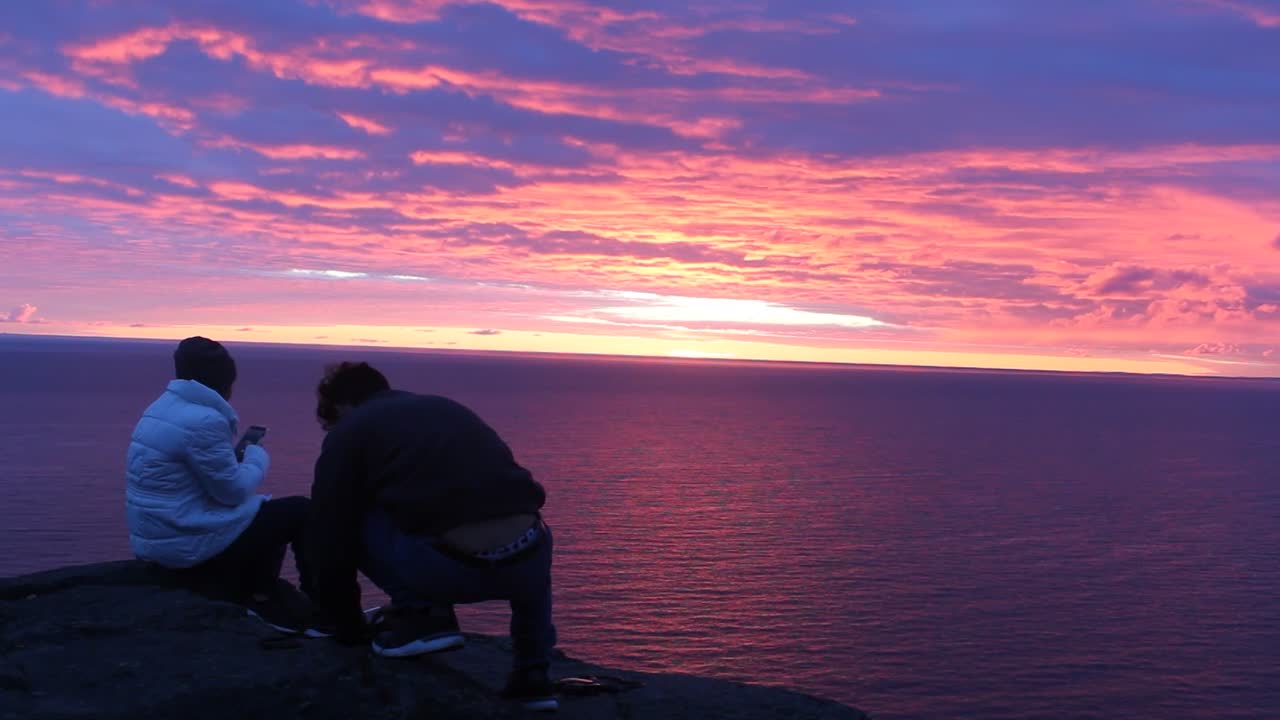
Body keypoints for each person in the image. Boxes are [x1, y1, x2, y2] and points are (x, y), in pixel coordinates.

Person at [305, 361, 558, 711]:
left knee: (343, 513)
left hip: (446, 571)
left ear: (341, 406)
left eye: (327, 420)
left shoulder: (350, 431)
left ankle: (422, 615)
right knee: (527, 529)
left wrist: (347, 626)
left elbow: (330, 532)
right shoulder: (448, 408)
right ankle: (533, 677)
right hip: (526, 564)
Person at [125, 336, 323, 635]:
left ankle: (257, 592)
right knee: (299, 511)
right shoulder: (204, 420)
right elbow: (232, 493)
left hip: (156, 538)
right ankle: (313, 607)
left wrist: (230, 463)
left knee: (262, 513)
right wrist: (256, 458)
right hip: (184, 544)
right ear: (225, 382)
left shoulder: (160, 408)